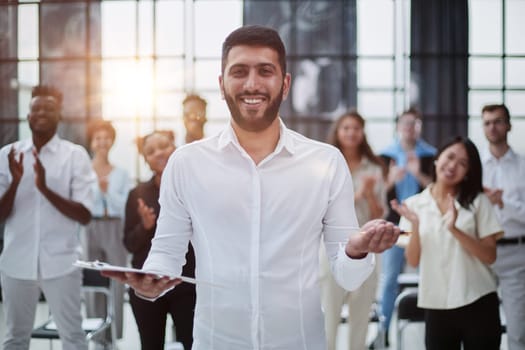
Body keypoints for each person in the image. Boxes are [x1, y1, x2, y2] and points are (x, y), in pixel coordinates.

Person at [103, 25, 400, 350]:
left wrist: (356, 249)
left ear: (285, 84)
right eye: (239, 71)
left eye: (265, 71)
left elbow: (348, 276)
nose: (252, 84)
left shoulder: (326, 162)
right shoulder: (186, 163)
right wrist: (151, 281)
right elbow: (167, 252)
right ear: (222, 84)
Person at [0, 85, 95, 350]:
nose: (41, 112)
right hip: (16, 263)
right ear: (28, 116)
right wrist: (16, 183)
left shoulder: (75, 156)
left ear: (59, 115)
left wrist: (44, 189)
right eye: (36, 108)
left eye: (48, 108)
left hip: (63, 263)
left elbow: (84, 215)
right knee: (14, 339)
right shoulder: (8, 156)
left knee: (73, 338)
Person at [392, 136, 503, 350]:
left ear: (468, 171)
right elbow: (413, 260)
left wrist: (454, 229)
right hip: (437, 305)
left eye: (462, 163)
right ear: (437, 158)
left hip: (478, 300)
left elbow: (490, 255)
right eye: (450, 157)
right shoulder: (413, 205)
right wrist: (415, 225)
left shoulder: (478, 201)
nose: (452, 165)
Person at [320, 110, 387, 350]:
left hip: (366, 252)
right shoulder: (325, 165)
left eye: (356, 128)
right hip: (331, 250)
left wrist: (369, 194)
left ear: (362, 133)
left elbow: (379, 216)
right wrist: (357, 194)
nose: (351, 133)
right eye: (346, 128)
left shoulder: (374, 168)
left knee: (360, 318)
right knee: (328, 316)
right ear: (337, 132)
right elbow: (319, 210)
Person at [123, 130, 195, 350]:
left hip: (187, 283)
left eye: (163, 146)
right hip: (148, 283)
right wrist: (145, 227)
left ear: (175, 146)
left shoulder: (193, 186)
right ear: (146, 160)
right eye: (151, 151)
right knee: (151, 345)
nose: (159, 153)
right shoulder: (137, 194)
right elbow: (128, 243)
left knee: (193, 343)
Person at [374, 108, 436, 347]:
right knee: (389, 279)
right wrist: (392, 179)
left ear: (419, 127)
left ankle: (431, 329)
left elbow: (438, 188)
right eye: (406, 123)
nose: (410, 128)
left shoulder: (431, 155)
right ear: (398, 126)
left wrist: (417, 173)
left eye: (414, 123)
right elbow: (377, 195)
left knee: (428, 275)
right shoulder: (385, 156)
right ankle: (383, 333)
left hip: (423, 225)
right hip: (393, 225)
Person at [481, 104, 525, 350]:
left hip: (516, 254)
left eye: (497, 121)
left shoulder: (522, 166)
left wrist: (502, 202)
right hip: (481, 255)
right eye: (487, 123)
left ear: (508, 125)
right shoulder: (474, 168)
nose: (492, 127)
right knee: (483, 330)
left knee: (518, 330)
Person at [84, 119, 130, 347]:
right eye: (97, 138)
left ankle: (112, 335)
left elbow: (122, 206)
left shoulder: (121, 173)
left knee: (117, 282)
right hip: (90, 227)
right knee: (92, 283)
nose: (102, 142)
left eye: (106, 138)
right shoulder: (83, 171)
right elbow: (82, 202)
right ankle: (97, 335)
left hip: (114, 227)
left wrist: (106, 192)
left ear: (112, 141)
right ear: (92, 143)